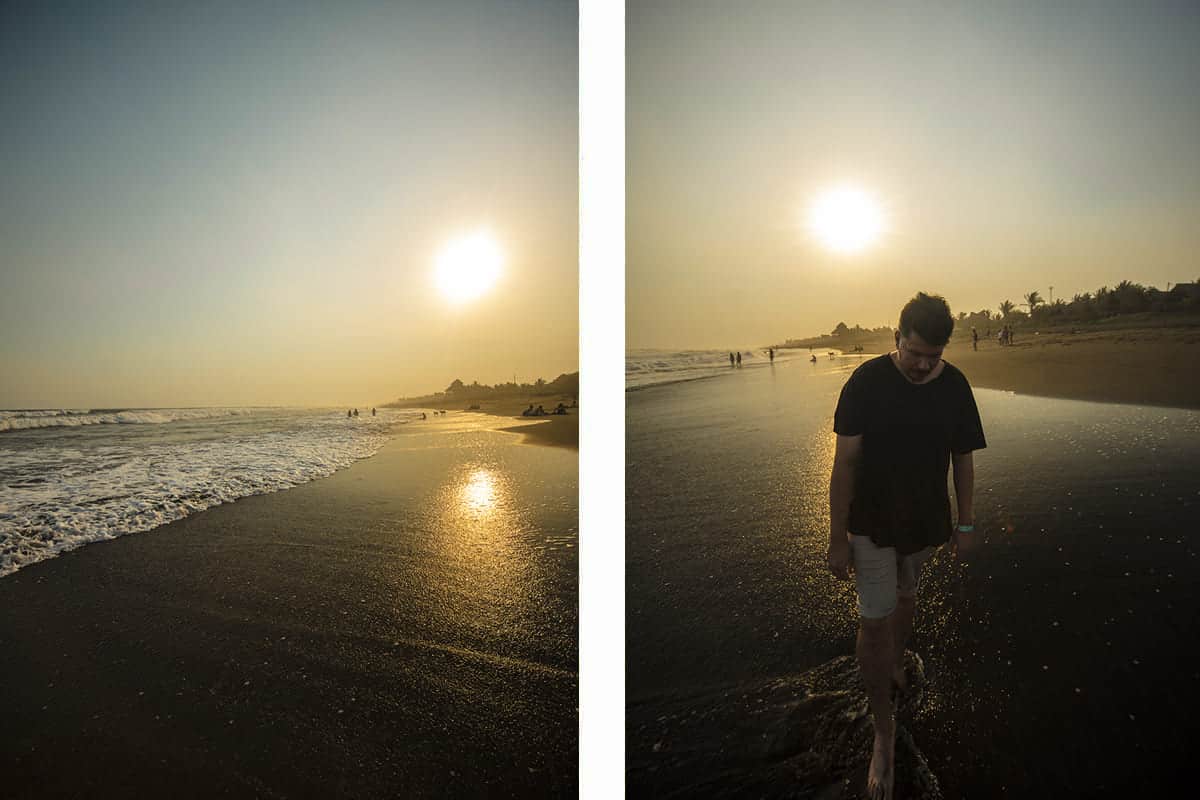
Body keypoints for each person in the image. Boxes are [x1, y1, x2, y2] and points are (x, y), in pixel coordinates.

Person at [826, 292, 986, 800]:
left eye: (931, 356)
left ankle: (896, 661)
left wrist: (965, 525)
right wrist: (836, 536)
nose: (921, 365)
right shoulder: (865, 383)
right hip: (870, 524)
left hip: (923, 522)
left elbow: (963, 458)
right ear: (896, 337)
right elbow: (845, 463)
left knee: (908, 595)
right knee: (874, 618)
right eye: (913, 352)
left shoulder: (955, 386)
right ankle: (883, 733)